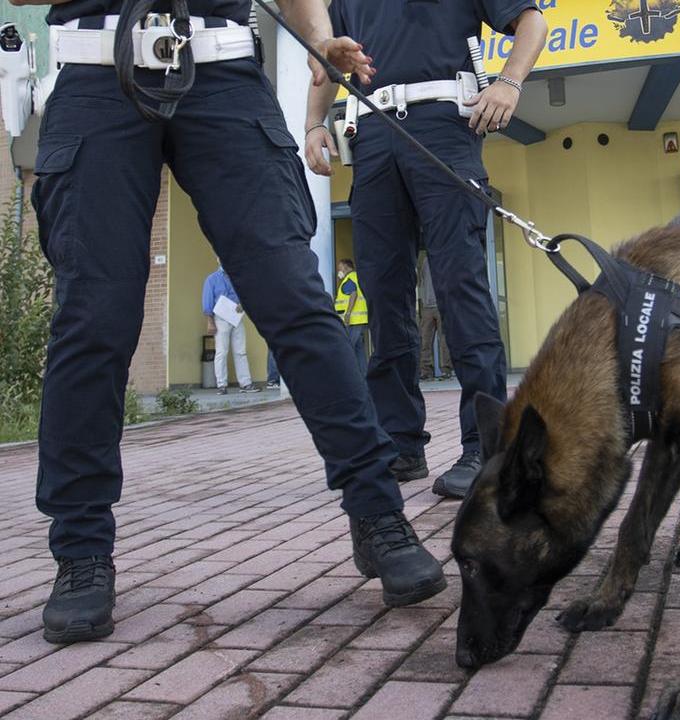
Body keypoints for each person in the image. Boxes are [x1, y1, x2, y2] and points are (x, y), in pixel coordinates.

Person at [22, 0, 446, 645]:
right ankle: (80, 553)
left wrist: (322, 38)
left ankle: (378, 513)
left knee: (296, 300)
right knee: (93, 319)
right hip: (95, 73)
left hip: (221, 70)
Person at [304, 0, 546, 497]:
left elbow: (534, 21)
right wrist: (312, 124)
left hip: (445, 128)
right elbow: (328, 59)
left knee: (461, 289)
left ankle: (486, 446)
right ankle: (400, 443)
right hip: (371, 133)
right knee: (384, 297)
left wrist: (509, 81)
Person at [202, 263, 260, 395]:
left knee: (240, 351)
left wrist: (242, 304)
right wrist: (210, 322)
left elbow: (246, 294)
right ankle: (221, 385)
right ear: (218, 260)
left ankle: (246, 384)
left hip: (236, 317)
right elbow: (207, 302)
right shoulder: (212, 279)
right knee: (221, 352)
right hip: (220, 318)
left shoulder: (237, 277)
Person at [334, 258, 370, 377]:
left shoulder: (349, 280)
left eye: (340, 267)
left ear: (346, 267)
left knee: (347, 348)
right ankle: (364, 376)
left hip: (354, 321)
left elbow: (353, 294)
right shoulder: (357, 277)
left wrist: (348, 314)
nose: (339, 270)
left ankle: (345, 377)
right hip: (360, 320)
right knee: (359, 350)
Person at [418, 255, 452, 381]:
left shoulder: (444, 257)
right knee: (425, 341)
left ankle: (446, 370)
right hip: (427, 307)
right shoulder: (425, 261)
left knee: (444, 340)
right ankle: (426, 371)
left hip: (442, 305)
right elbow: (421, 282)